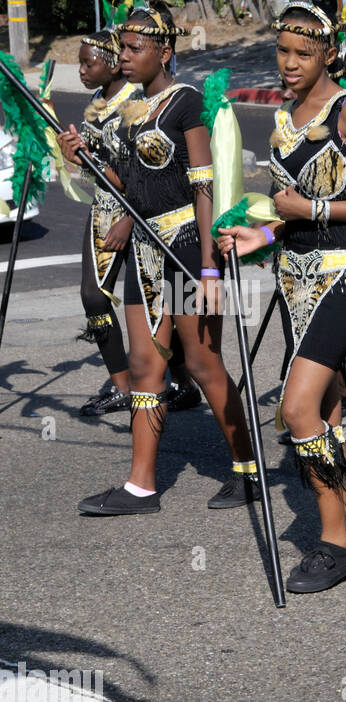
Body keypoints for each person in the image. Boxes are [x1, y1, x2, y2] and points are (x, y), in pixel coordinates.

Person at [219, 0, 346, 592]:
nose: (290, 63)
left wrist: (311, 208)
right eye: (283, 51)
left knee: (296, 408)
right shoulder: (287, 114)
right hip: (294, 275)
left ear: (329, 52)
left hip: (344, 275)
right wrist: (262, 234)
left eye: (304, 53)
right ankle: (336, 528)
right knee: (321, 408)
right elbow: (289, 212)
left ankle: (336, 540)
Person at [60, 2, 259, 515]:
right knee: (146, 365)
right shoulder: (130, 111)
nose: (124, 58)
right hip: (143, 249)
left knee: (200, 360)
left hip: (187, 247)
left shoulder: (186, 103)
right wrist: (83, 158)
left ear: (164, 52)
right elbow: (126, 184)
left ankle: (248, 467)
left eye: (134, 49)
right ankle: (141, 486)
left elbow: (203, 184)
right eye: (122, 49)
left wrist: (210, 267)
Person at [71, 29, 199, 418]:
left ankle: (185, 380)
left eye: (87, 63)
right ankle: (125, 385)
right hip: (106, 208)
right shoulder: (96, 101)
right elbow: (101, 168)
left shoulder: (148, 101)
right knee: (94, 297)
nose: (79, 71)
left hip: (146, 214)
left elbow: (154, 173)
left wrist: (129, 217)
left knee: (172, 312)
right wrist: (75, 156)